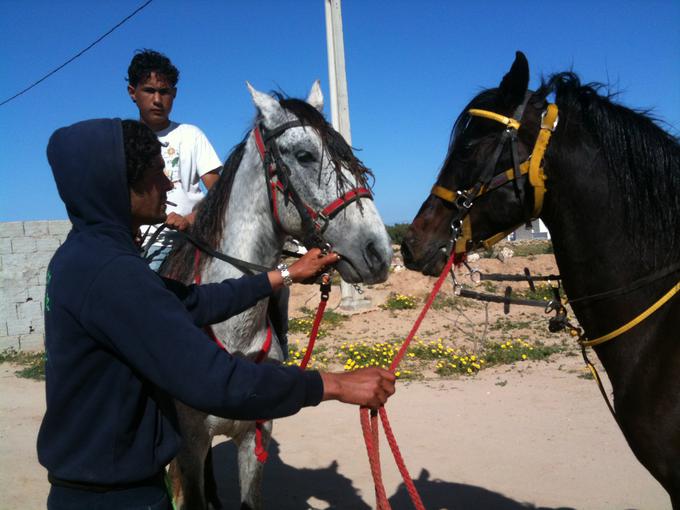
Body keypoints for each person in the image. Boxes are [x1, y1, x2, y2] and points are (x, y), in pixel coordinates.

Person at [38, 118, 396, 510]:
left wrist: (284, 275)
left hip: (96, 482)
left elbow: (192, 302)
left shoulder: (84, 256)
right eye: (158, 173)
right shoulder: (114, 275)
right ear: (120, 183)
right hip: (118, 497)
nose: (171, 185)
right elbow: (213, 380)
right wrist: (336, 386)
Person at [127, 49, 221, 270]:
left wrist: (189, 219)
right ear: (133, 92)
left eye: (164, 91)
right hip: (143, 244)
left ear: (174, 93)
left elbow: (219, 193)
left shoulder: (191, 135)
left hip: (189, 240)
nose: (158, 100)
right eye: (149, 91)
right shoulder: (125, 140)